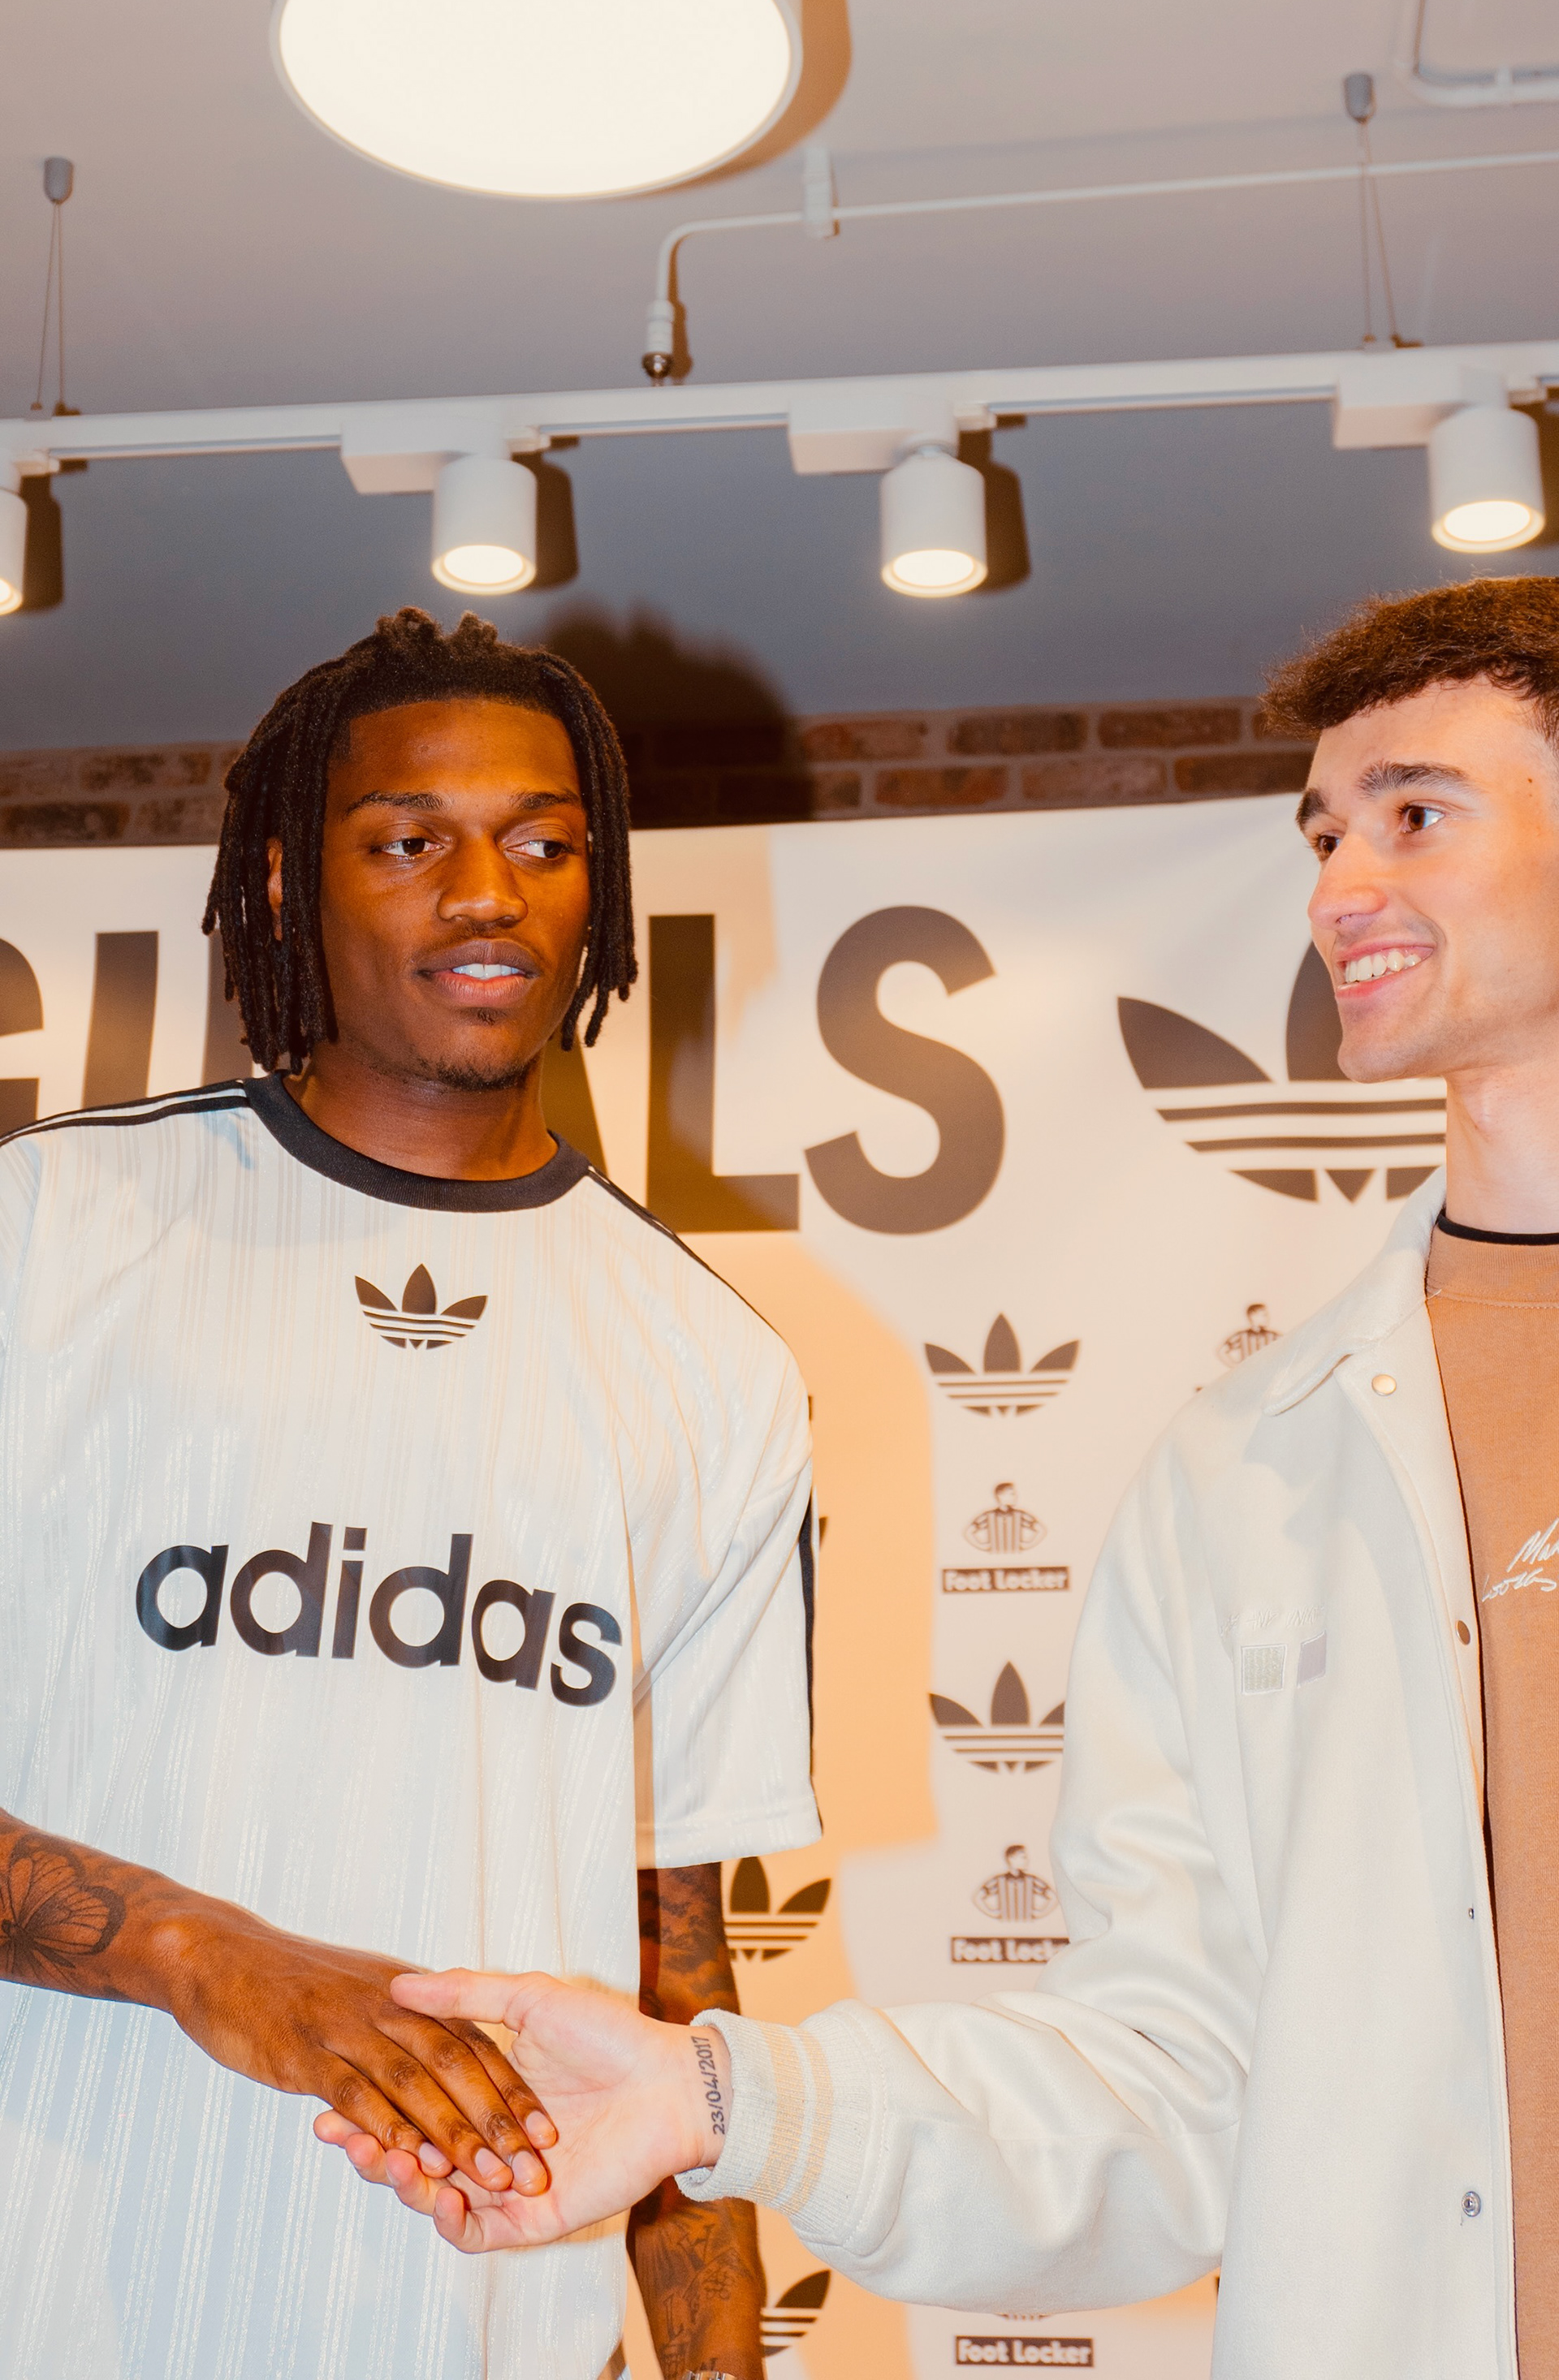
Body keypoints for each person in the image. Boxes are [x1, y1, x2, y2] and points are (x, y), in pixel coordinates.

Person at [322, 576, 1559, 2380]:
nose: (1336, 890)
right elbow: (1168, 2084)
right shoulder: (1249, 1468)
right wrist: (718, 2097)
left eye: (1416, 815)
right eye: (1321, 835)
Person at [0, 607, 818, 2380]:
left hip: (486, 2326)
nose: (486, 894)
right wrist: (195, 1950)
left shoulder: (713, 1363)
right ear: (285, 881)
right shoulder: (47, 1234)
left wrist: (721, 2362)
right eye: (406, 842)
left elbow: (681, 1972)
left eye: (543, 843)